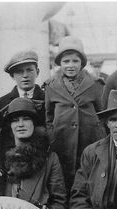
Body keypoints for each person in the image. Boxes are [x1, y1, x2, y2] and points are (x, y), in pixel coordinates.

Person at [45, 36, 106, 189]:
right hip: (61, 144)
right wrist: (52, 136)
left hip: (89, 142)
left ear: (82, 63)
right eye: (66, 61)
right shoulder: (51, 86)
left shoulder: (95, 85)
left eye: (75, 61)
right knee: (63, 182)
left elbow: (103, 114)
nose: (70, 65)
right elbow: (48, 117)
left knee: (88, 180)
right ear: (59, 63)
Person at [0, 50, 45, 133]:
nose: (25, 75)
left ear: (37, 72)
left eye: (29, 70)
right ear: (12, 76)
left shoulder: (49, 99)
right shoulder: (0, 104)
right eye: (19, 71)